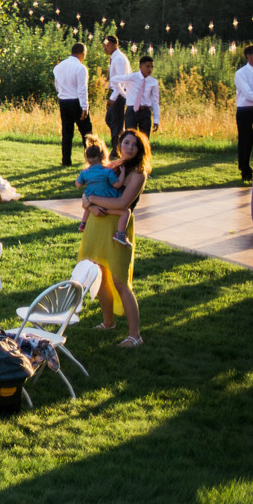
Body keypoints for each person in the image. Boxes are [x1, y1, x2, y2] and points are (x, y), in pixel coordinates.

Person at [80, 129, 150, 347]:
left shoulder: (138, 174)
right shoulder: (110, 166)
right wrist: (90, 203)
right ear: (119, 145)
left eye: (134, 145)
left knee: (120, 281)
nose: (129, 147)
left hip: (117, 228)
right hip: (97, 224)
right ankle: (108, 322)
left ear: (140, 150)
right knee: (99, 275)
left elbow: (122, 204)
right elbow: (85, 193)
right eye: (126, 142)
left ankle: (135, 336)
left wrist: (92, 200)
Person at [75, 135, 130, 243]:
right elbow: (117, 185)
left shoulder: (84, 172)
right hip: (106, 199)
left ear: (87, 158)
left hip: (92, 201)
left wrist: (81, 178)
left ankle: (83, 224)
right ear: (103, 156)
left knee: (87, 203)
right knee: (125, 213)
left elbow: (78, 185)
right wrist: (122, 174)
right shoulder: (107, 172)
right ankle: (120, 234)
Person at [53, 43, 93, 167]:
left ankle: (66, 161)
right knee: (87, 132)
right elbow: (82, 89)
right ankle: (91, 159)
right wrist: (84, 107)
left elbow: (56, 85)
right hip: (76, 101)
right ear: (82, 53)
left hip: (63, 101)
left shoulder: (58, 67)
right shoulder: (81, 68)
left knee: (67, 133)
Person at [110, 55, 161, 136]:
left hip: (145, 111)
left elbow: (155, 102)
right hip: (132, 110)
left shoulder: (153, 82)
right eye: (147, 66)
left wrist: (156, 120)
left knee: (144, 137)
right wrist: (123, 93)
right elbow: (114, 80)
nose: (150, 69)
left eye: (151, 67)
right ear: (140, 67)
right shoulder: (132, 77)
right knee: (130, 135)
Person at [102, 35, 131, 143]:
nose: (105, 48)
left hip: (119, 93)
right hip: (115, 92)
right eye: (104, 45)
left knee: (115, 122)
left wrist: (113, 98)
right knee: (110, 120)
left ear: (115, 45)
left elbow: (121, 81)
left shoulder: (118, 59)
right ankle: (120, 143)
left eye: (108, 45)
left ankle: (116, 148)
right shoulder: (114, 57)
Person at [237, 45, 253, 183]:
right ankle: (245, 170)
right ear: (248, 56)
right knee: (245, 140)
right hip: (246, 110)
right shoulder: (241, 73)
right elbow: (248, 93)